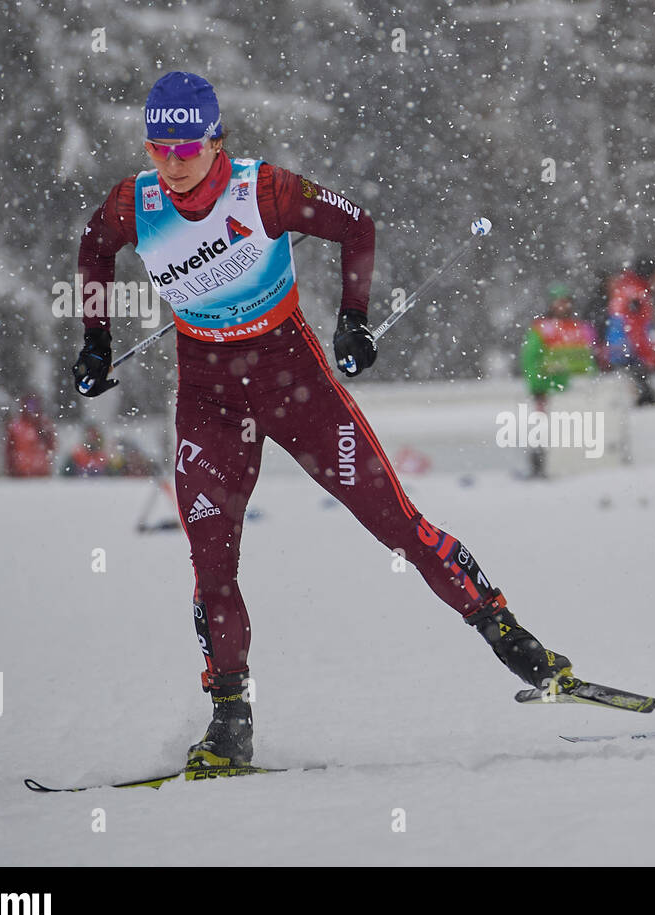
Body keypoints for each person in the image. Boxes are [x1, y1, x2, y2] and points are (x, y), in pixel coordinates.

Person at [72, 71, 578, 768]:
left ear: (217, 140)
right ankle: (230, 718)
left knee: (395, 522)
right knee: (212, 562)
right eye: (161, 145)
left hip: (293, 380)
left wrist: (353, 322)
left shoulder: (265, 191)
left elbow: (355, 225)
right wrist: (94, 338)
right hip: (209, 397)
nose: (176, 160)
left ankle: (512, 638)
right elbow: (94, 249)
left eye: (189, 144)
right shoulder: (137, 200)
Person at [519, 283, 596, 478]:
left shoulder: (580, 328)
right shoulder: (542, 329)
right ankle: (539, 466)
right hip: (546, 389)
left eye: (565, 302)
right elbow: (530, 358)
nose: (562, 306)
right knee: (541, 430)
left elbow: (588, 359)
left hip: (569, 390)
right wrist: (537, 384)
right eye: (558, 302)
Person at [604, 257, 655, 406]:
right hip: (628, 353)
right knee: (648, 402)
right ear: (649, 274)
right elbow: (637, 332)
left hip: (618, 351)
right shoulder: (637, 295)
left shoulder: (626, 289)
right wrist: (651, 360)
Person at [5, 394, 56, 477]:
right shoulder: (16, 426)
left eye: (33, 406)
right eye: (29, 406)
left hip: (41, 475)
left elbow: (52, 446)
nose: (31, 410)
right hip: (20, 475)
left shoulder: (44, 425)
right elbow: (9, 450)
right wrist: (11, 470)